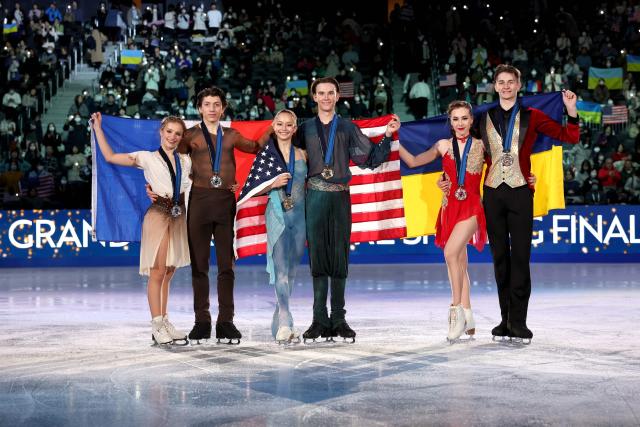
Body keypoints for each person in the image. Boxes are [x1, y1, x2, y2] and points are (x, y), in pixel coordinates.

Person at [439, 64, 579, 343]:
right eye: (500, 82)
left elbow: (569, 136)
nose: (505, 86)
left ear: (518, 85)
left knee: (520, 258)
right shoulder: (482, 117)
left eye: (510, 82)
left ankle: (519, 322)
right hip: (492, 194)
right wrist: (445, 180)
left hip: (520, 192)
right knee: (500, 258)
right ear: (495, 85)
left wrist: (571, 109)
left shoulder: (533, 115)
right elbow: (461, 146)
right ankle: (504, 321)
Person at [149, 87, 268, 345]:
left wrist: (273, 124)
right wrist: (155, 189)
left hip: (225, 202)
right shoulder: (190, 136)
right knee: (199, 266)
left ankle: (226, 322)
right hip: (199, 203)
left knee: (226, 266)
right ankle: (201, 322)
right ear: (199, 108)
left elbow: (257, 147)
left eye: (216, 104)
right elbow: (167, 158)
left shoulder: (232, 135)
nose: (212, 108)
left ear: (223, 108)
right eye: (207, 104)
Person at [293, 77, 400, 343]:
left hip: (340, 197)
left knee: (339, 257)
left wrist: (386, 136)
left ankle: (338, 319)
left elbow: (371, 159)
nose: (326, 97)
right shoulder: (304, 129)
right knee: (318, 256)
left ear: (338, 96)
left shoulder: (347, 128)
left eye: (331, 93)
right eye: (321, 93)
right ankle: (319, 319)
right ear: (314, 97)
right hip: (314, 197)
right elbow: (287, 158)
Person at [92, 112, 191, 346]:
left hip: (179, 215)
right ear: (161, 132)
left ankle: (165, 320)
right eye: (169, 132)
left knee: (169, 271)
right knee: (157, 270)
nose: (173, 137)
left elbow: (194, 185)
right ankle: (156, 324)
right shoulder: (146, 157)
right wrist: (98, 129)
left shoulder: (186, 161)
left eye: (178, 133)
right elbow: (110, 157)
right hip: (158, 214)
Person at [399, 101, 488, 341]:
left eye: (464, 118)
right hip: (449, 208)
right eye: (455, 119)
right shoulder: (442, 145)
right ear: (450, 122)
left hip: (472, 208)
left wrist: (527, 176)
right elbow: (414, 162)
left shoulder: (482, 146)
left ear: (471, 121)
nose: (460, 123)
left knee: (450, 254)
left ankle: (455, 311)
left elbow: (501, 170)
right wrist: (395, 143)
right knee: (459, 261)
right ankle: (469, 314)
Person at [256, 110, 307, 344]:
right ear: (273, 126)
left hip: (300, 217)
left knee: (293, 271)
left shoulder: (303, 155)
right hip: (277, 214)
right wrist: (272, 184)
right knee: (281, 270)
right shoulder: (266, 155)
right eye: (280, 124)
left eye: (289, 124)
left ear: (295, 128)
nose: (284, 128)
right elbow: (253, 187)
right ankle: (286, 321)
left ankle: (281, 314)